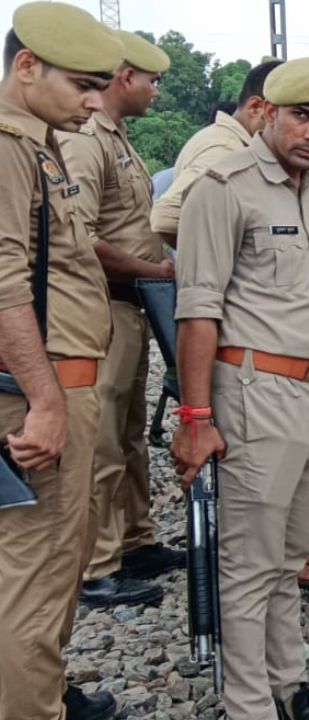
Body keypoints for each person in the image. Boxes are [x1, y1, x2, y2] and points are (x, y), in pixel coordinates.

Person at [171, 56, 309, 720]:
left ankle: (288, 683)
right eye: (301, 116)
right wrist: (194, 416)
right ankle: (248, 705)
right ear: (266, 113)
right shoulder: (225, 186)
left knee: (288, 555)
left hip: (308, 392)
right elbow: (198, 310)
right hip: (251, 391)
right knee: (247, 566)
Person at [0, 6, 122, 719]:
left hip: (56, 383)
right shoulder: (10, 147)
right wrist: (46, 403)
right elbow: (4, 281)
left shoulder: (38, 144)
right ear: (25, 67)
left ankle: (46, 692)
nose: (93, 101)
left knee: (53, 567)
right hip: (36, 392)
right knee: (35, 576)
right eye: (81, 84)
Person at [57, 29, 183, 609]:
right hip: (105, 303)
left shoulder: (118, 137)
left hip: (128, 307)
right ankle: (96, 566)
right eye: (152, 80)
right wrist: (154, 271)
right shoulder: (87, 142)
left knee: (130, 436)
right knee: (104, 443)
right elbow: (80, 237)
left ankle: (135, 541)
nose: (157, 90)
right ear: (125, 76)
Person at [150, 58, 280, 245]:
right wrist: (218, 259)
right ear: (256, 108)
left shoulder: (229, 140)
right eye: (294, 115)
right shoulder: (226, 150)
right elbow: (167, 217)